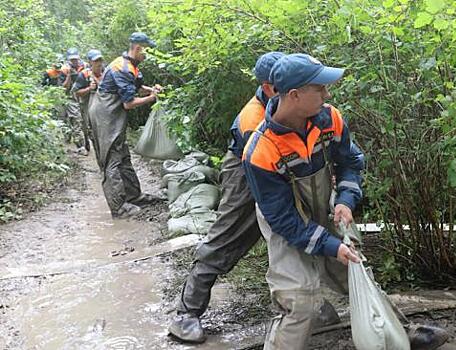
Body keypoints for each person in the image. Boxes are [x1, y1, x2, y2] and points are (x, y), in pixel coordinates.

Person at [168, 52, 292, 344]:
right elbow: (267, 164)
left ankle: (306, 305)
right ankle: (186, 313)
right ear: (269, 86)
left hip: (278, 170)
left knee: (291, 240)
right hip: (246, 173)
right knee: (226, 238)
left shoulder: (289, 103)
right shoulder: (253, 119)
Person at [242, 53, 364, 349]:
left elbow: (350, 161)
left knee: (356, 272)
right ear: (294, 95)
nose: (327, 94)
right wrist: (330, 246)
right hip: (284, 221)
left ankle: (396, 330)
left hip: (326, 207)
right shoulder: (260, 150)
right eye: (320, 88)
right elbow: (284, 219)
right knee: (299, 297)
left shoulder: (330, 118)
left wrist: (346, 199)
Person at [88, 32, 163, 219]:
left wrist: (150, 89)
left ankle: (134, 195)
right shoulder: (122, 68)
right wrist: (151, 98)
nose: (148, 56)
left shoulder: (131, 65)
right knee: (111, 159)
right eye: (147, 52)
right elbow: (128, 103)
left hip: (113, 114)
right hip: (105, 114)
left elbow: (135, 85)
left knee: (123, 155)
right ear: (138, 49)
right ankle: (118, 208)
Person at [71, 49, 105, 156]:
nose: (98, 63)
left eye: (100, 60)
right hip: (87, 105)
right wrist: (89, 89)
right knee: (88, 129)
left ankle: (102, 154)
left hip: (103, 106)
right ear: (90, 62)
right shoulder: (84, 75)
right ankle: (86, 144)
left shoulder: (106, 72)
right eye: (96, 61)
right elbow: (76, 92)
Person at [60, 47, 87, 154]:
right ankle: (80, 146)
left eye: (75, 59)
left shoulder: (85, 66)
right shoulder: (64, 69)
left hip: (84, 96)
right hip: (70, 97)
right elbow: (63, 88)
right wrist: (69, 76)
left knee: (86, 122)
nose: (74, 62)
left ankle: (87, 142)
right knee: (76, 120)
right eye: (72, 60)